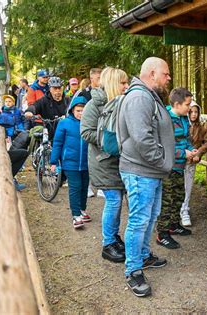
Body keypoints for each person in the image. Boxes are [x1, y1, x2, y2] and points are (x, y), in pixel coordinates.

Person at [118, 57, 174, 297]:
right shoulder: (140, 97)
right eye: (166, 74)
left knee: (149, 218)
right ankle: (133, 270)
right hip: (141, 170)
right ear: (152, 74)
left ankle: (142, 256)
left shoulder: (147, 95)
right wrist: (162, 161)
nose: (168, 78)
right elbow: (142, 138)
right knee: (139, 220)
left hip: (150, 171)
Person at [80, 67, 129, 262]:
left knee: (117, 202)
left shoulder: (121, 102)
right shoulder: (94, 105)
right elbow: (85, 132)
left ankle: (114, 238)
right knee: (114, 201)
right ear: (112, 84)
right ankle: (107, 244)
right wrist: (109, 139)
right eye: (122, 83)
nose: (126, 86)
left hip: (118, 161)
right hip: (103, 162)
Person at [156, 87, 196, 249]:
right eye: (187, 104)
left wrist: (192, 150)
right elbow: (162, 146)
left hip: (180, 166)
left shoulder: (184, 118)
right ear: (177, 104)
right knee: (167, 199)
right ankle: (162, 233)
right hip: (168, 167)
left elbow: (186, 139)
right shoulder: (165, 120)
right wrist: (182, 153)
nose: (190, 107)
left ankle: (173, 224)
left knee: (179, 195)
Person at [50, 96, 90, 229]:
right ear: (72, 110)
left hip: (86, 162)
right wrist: (54, 161)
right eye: (78, 110)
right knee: (75, 187)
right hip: (70, 163)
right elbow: (57, 143)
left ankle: (82, 210)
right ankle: (76, 215)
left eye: (83, 110)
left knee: (84, 186)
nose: (81, 113)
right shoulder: (64, 123)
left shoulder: (89, 123)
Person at [179, 100, 207, 227]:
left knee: (188, 187)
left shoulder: (203, 127)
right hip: (178, 160)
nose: (193, 114)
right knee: (177, 187)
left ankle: (185, 210)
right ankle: (175, 209)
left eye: (196, 112)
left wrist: (198, 153)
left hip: (191, 162)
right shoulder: (181, 125)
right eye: (191, 111)